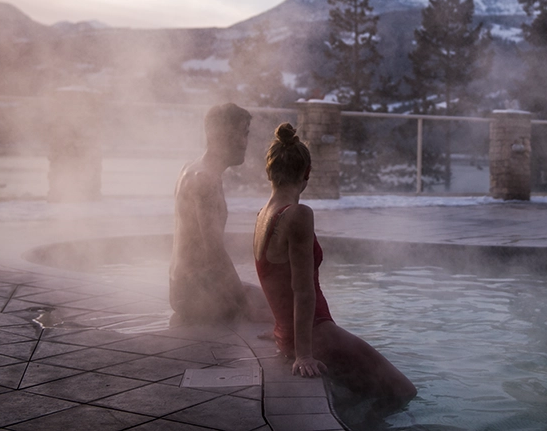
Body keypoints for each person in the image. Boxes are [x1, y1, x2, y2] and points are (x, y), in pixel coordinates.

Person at [253, 123, 417, 408]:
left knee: (364, 393)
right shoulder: (297, 214)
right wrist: (303, 354)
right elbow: (302, 291)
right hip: (316, 335)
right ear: (306, 173)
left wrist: (281, 329)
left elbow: (272, 279)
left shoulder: (262, 216)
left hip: (292, 334)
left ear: (270, 171)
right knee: (404, 392)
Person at [169, 103, 268, 325]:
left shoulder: (192, 169)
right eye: (243, 133)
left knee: (266, 297)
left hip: (183, 287)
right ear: (221, 135)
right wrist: (246, 309)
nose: (245, 142)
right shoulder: (206, 181)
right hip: (195, 296)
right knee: (279, 314)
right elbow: (214, 253)